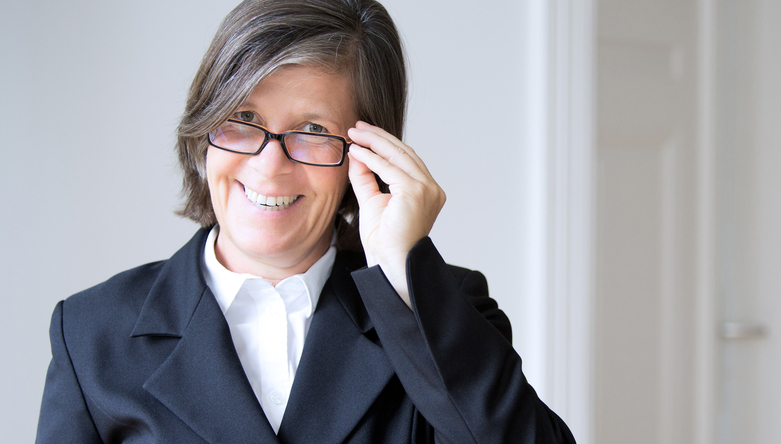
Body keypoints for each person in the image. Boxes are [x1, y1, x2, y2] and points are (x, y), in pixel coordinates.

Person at [35, 0, 575, 442]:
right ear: (204, 127)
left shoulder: (439, 307)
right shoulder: (91, 335)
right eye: (244, 119)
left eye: (313, 128)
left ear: (366, 153)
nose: (271, 166)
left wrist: (407, 282)